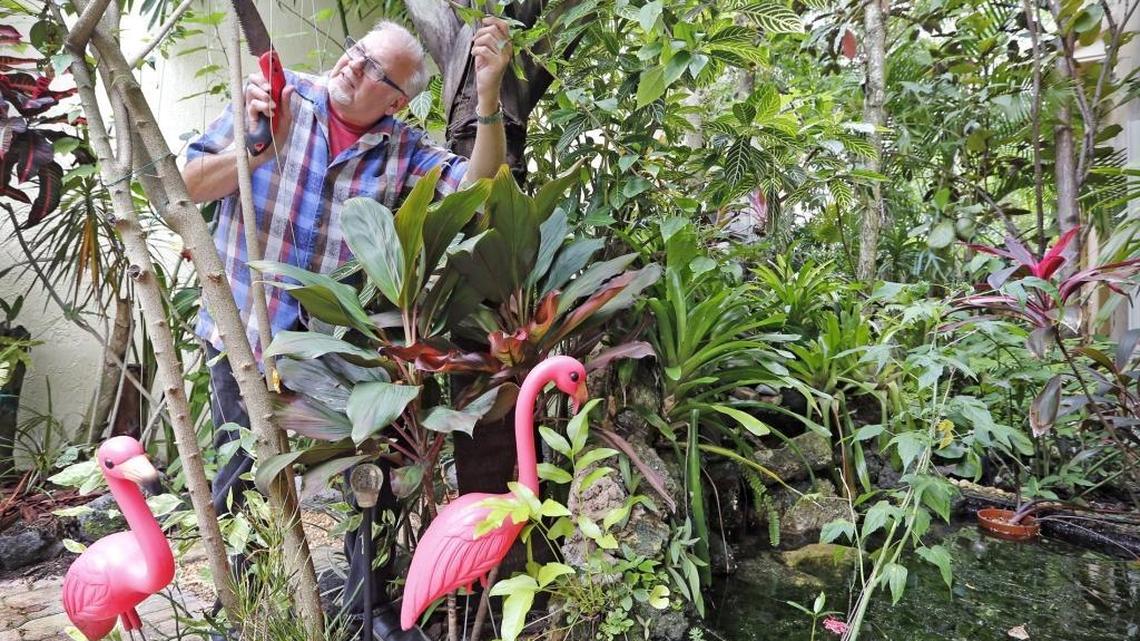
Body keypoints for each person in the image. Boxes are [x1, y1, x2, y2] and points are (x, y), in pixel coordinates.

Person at [180, 17, 513, 641]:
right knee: (243, 478)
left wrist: (489, 99)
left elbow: (479, 190)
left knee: (373, 476)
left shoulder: (401, 150)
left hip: (337, 349)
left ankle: (373, 608)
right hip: (244, 335)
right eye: (356, 52)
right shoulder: (278, 99)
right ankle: (251, 613)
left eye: (372, 69)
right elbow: (187, 186)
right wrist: (257, 146)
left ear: (396, 99)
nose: (351, 66)